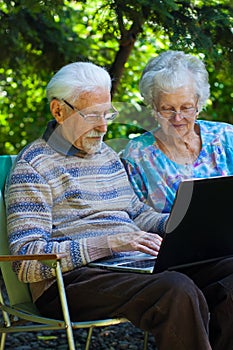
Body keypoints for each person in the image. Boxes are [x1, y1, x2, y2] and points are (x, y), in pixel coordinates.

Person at [6, 61, 214, 350]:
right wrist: (110, 242)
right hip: (71, 284)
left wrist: (183, 224)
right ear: (59, 111)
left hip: (133, 270)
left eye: (107, 113)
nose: (104, 126)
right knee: (175, 290)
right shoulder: (33, 167)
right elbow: (28, 263)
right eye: (93, 115)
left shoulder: (106, 156)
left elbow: (136, 214)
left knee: (227, 274)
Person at [122, 50, 233, 349]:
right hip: (175, 266)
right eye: (166, 109)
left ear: (200, 103)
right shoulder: (137, 155)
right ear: (152, 107)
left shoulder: (226, 139)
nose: (179, 117)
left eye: (187, 107)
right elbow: (129, 217)